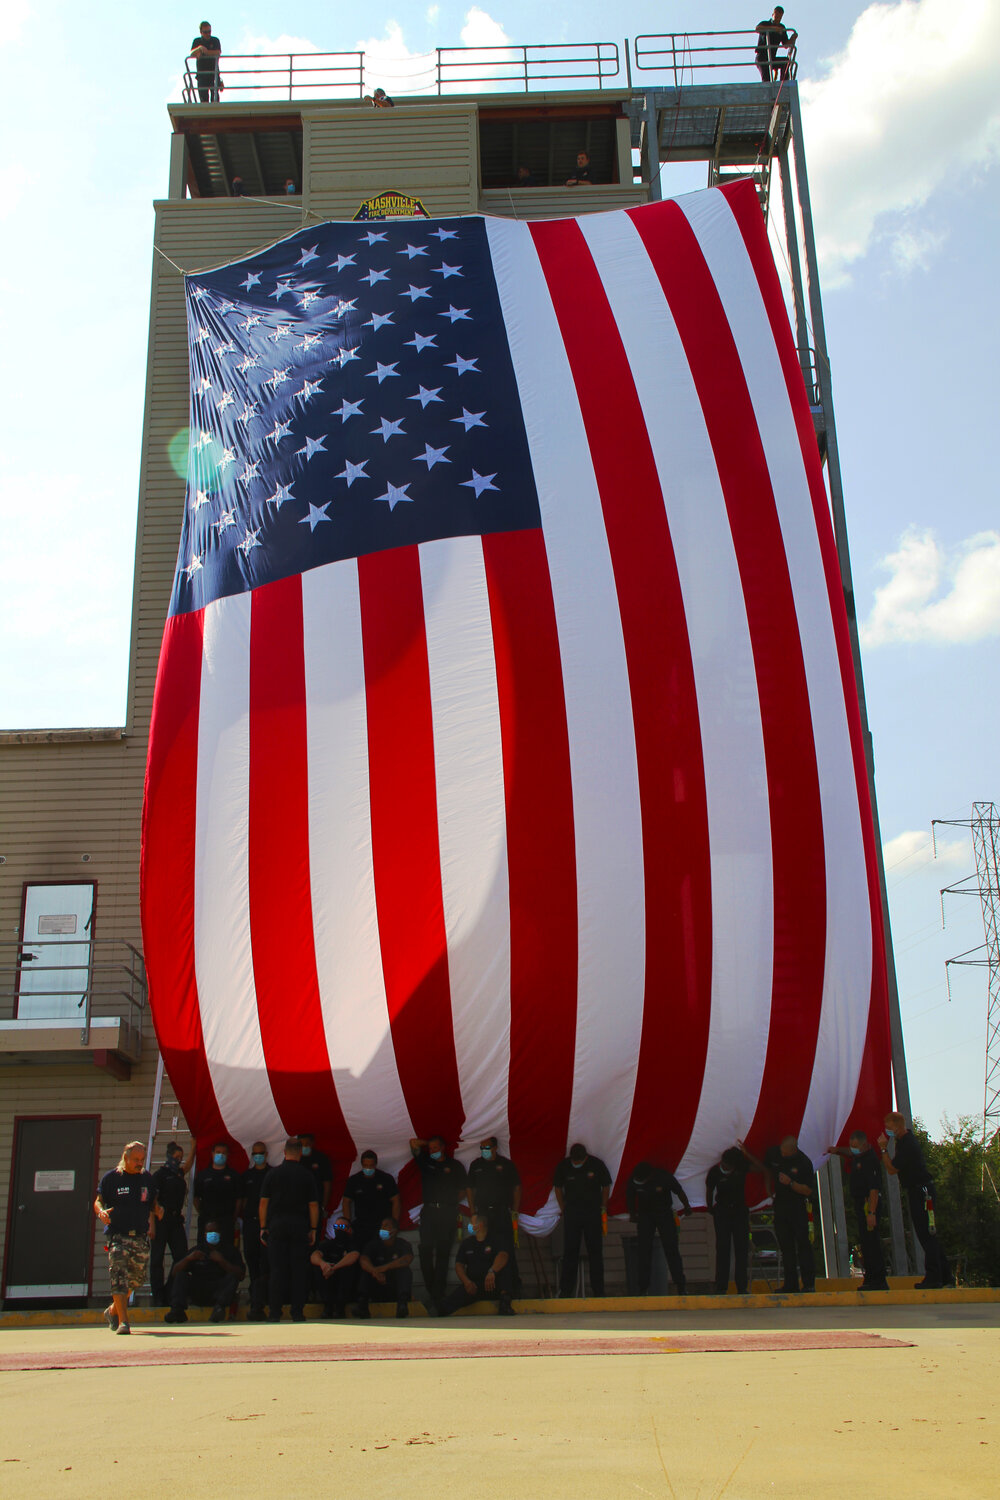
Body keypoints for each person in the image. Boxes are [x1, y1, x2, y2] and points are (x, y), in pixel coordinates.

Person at [878, 1112, 951, 1288]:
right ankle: (945, 1276)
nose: (887, 1132)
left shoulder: (908, 1143)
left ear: (897, 1126)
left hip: (922, 1192)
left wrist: (882, 1149)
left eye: (888, 1128)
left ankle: (934, 1277)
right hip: (917, 1190)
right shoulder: (903, 1141)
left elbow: (892, 1169)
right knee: (928, 1234)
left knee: (927, 1234)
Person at [94, 1141, 157, 1336]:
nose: (139, 1163)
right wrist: (101, 1212)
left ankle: (112, 1310)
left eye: (142, 1160)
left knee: (136, 1281)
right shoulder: (112, 1178)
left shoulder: (146, 1178)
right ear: (126, 1158)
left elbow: (152, 1203)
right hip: (118, 1236)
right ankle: (124, 1322)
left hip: (140, 1236)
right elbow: (98, 1201)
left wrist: (157, 1215)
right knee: (118, 1278)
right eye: (136, 1160)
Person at [258, 1137, 319, 1322]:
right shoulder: (307, 1175)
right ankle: (297, 1312)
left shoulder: (272, 1174)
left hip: (277, 1224)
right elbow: (313, 1205)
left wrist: (263, 1227)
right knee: (298, 1270)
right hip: (299, 1225)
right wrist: (314, 1228)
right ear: (300, 1153)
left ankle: (274, 1313)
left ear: (284, 1152)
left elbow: (263, 1204)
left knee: (277, 1270)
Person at [409, 1135, 467, 1313]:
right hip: (429, 1210)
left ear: (443, 1147)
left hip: (448, 1212)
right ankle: (432, 1291)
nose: (433, 1151)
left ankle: (438, 1295)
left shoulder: (455, 1166)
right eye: (431, 1149)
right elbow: (413, 1143)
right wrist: (428, 1144)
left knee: (443, 1252)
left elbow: (464, 1190)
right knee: (425, 1249)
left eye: (436, 1148)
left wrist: (450, 1203)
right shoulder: (426, 1162)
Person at [828, 1131, 889, 1291]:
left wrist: (872, 1213)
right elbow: (849, 1152)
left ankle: (879, 1280)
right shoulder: (858, 1155)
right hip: (860, 1203)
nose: (853, 1149)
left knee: (872, 1243)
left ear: (864, 1144)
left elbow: (874, 1189)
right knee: (866, 1243)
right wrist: (838, 1150)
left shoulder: (870, 1160)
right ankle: (870, 1278)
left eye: (856, 1146)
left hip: (868, 1204)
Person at [553, 1143, 612, 1297]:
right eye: (576, 1161)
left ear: (585, 1157)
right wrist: (563, 1207)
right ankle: (566, 1291)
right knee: (570, 1251)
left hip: (592, 1213)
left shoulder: (596, 1164)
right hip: (572, 1213)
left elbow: (606, 1185)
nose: (578, 1164)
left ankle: (598, 1290)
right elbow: (557, 1187)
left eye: (580, 1161)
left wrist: (603, 1206)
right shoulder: (564, 1166)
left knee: (595, 1252)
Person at [626, 1160, 692, 1296]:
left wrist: (687, 1207)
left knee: (671, 1249)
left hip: (664, 1214)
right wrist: (632, 1215)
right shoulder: (634, 1179)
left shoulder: (663, 1177)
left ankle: (681, 1286)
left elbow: (679, 1191)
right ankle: (643, 1288)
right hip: (645, 1216)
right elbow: (630, 1197)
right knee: (644, 1251)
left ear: (649, 1176)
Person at [764, 1135, 816, 1293]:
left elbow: (808, 1190)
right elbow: (766, 1168)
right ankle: (790, 1284)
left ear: (793, 1151)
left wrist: (791, 1183)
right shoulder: (775, 1154)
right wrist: (768, 1188)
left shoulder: (804, 1162)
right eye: (781, 1151)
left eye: (786, 1153)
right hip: (780, 1205)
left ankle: (808, 1284)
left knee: (803, 1245)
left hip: (797, 1206)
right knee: (786, 1248)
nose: (783, 1155)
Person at [165, 1221, 244, 1324]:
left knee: (232, 1277)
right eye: (209, 1231)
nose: (212, 1234)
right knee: (181, 1275)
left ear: (220, 1233)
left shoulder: (229, 1250)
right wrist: (189, 1259)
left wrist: (222, 1262)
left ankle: (219, 1310)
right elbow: (174, 1272)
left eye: (215, 1231)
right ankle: (177, 1310)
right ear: (205, 1234)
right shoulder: (198, 1250)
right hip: (199, 1290)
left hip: (218, 1292)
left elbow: (241, 1275)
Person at [440, 1214, 514, 1317]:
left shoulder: (495, 1239)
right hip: (474, 1286)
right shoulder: (467, 1243)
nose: (469, 1226)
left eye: (471, 1223)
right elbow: (459, 1265)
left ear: (480, 1225)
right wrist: (466, 1282)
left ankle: (505, 1304)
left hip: (492, 1283)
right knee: (447, 1304)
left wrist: (492, 1271)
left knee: (506, 1272)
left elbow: (503, 1256)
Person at [150, 1137, 195, 1306]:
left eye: (180, 1158)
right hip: (161, 1219)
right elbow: (152, 1201)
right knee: (157, 1259)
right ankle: (158, 1296)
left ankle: (171, 1291)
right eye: (175, 1157)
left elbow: (188, 1166)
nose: (178, 1161)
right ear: (169, 1157)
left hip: (176, 1220)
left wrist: (194, 1147)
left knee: (181, 1256)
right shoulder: (159, 1175)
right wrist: (152, 1224)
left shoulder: (178, 1174)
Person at [706, 1143, 755, 1293]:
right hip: (722, 1211)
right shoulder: (715, 1171)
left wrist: (747, 1154)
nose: (725, 1168)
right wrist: (710, 1208)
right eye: (724, 1165)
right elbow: (709, 1190)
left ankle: (741, 1286)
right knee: (722, 1248)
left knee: (741, 1249)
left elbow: (760, 1168)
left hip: (739, 1211)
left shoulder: (741, 1168)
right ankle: (721, 1287)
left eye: (728, 1167)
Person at [466, 1136, 521, 1271]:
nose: (484, 1150)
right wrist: (473, 1212)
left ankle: (510, 1286)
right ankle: (486, 1282)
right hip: (483, 1213)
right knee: (484, 1246)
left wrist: (514, 1210)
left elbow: (517, 1187)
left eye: (487, 1148)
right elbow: (469, 1188)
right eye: (482, 1148)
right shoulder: (476, 1165)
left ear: (495, 1148)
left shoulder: (506, 1164)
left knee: (506, 1246)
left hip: (501, 1211)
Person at [342, 1150, 401, 1252]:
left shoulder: (386, 1179)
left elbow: (396, 1201)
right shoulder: (354, 1180)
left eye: (371, 1165)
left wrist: (394, 1224)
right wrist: (348, 1223)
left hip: (381, 1225)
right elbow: (346, 1202)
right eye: (366, 1165)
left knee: (381, 1253)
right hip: (361, 1225)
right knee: (359, 1253)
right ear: (361, 1164)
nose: (368, 1168)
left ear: (376, 1164)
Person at [356, 1217, 414, 1319]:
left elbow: (408, 1259)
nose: (382, 1228)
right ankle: (362, 1306)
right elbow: (363, 1260)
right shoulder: (373, 1244)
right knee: (365, 1272)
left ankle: (402, 1306)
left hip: (394, 1288)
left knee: (405, 1271)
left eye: (386, 1226)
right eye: (381, 1226)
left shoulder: (402, 1244)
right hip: (377, 1286)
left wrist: (384, 1268)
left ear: (395, 1230)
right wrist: (375, 1271)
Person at [193, 1140, 242, 1250]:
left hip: (226, 1220)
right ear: (212, 1153)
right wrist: (202, 1211)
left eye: (223, 1153)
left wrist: (234, 1216)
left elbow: (239, 1199)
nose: (220, 1155)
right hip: (207, 1219)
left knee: (227, 1250)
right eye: (218, 1152)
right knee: (203, 1250)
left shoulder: (233, 1175)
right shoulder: (203, 1175)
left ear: (228, 1155)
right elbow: (195, 1197)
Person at [241, 1140, 270, 1320]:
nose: (258, 1156)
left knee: (266, 1262)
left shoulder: (271, 1174)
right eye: (255, 1153)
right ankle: (254, 1297)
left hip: (267, 1226)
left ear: (266, 1154)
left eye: (261, 1153)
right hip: (250, 1224)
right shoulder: (247, 1176)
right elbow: (242, 1201)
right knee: (251, 1260)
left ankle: (265, 1297)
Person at [310, 1215, 360, 1317]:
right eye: (336, 1227)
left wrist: (334, 1268)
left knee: (347, 1269)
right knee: (317, 1269)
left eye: (341, 1227)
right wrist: (323, 1265)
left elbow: (354, 1255)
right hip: (329, 1277)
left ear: (349, 1229)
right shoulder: (328, 1244)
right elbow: (314, 1256)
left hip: (345, 1283)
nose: (338, 1230)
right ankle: (328, 1306)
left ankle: (340, 1307)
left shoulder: (353, 1244)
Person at [755, 8, 796, 81]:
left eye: (780, 17)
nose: (778, 19)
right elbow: (757, 28)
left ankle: (783, 83)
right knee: (767, 80)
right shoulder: (766, 23)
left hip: (772, 57)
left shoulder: (781, 27)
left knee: (786, 62)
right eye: (776, 16)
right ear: (773, 15)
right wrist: (773, 28)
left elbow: (785, 45)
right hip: (762, 57)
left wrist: (793, 38)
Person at [298, 1133, 334, 1216]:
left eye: (307, 1144)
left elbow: (327, 1184)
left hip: (317, 1201)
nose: (304, 1146)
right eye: (302, 1144)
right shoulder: (295, 1158)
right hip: (298, 1204)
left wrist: (323, 1206)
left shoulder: (321, 1158)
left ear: (312, 1143)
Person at [188, 21, 222, 103]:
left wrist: (205, 52)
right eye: (205, 32)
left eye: (209, 31)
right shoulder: (197, 41)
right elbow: (192, 53)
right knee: (203, 98)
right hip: (202, 74)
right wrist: (199, 48)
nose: (208, 34)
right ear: (201, 32)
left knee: (215, 97)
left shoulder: (215, 40)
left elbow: (217, 52)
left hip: (213, 72)